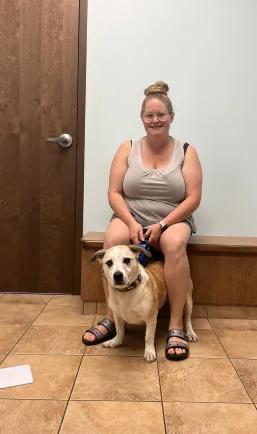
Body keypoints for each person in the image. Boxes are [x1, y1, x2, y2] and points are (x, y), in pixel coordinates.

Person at [82, 81, 203, 360]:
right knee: (112, 239)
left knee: (173, 244)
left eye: (161, 115)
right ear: (142, 119)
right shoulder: (128, 147)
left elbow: (193, 198)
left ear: (171, 117)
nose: (155, 120)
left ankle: (175, 326)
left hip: (173, 219)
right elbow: (114, 192)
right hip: (131, 216)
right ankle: (112, 319)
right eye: (149, 115)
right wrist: (132, 222)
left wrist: (162, 225)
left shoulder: (187, 150)